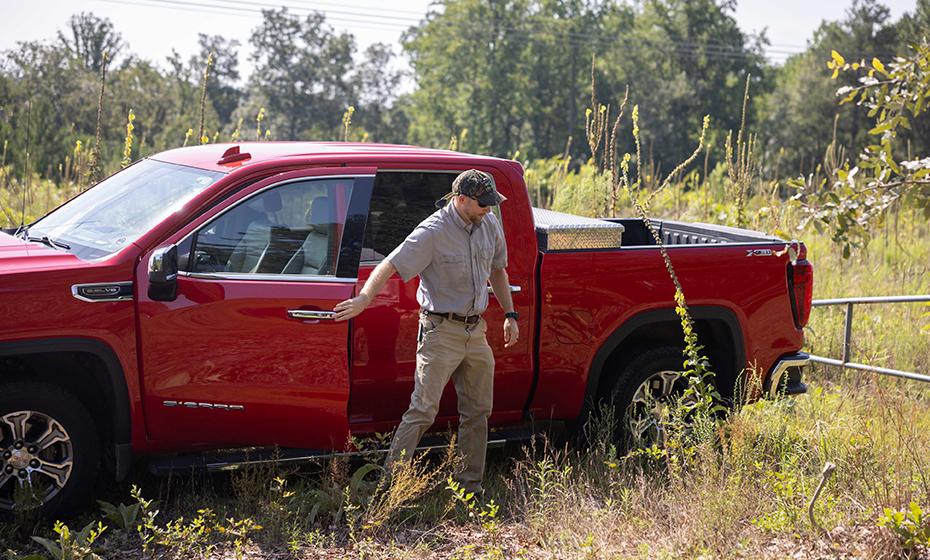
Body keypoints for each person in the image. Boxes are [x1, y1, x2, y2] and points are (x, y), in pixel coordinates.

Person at [333, 169, 519, 494]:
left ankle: (469, 486)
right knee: (423, 410)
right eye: (482, 204)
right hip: (440, 332)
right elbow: (389, 264)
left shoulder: (488, 222)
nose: (489, 209)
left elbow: (498, 271)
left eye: (491, 203)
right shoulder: (432, 231)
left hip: (475, 332)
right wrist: (364, 298)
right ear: (461, 200)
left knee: (478, 411)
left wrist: (510, 313)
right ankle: (390, 488)